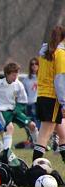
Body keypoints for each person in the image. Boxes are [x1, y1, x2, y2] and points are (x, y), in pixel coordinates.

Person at [32, 25, 65, 163]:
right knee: (44, 136)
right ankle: (33, 169)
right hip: (52, 98)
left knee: (63, 135)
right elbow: (59, 80)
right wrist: (64, 102)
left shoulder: (44, 53)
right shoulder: (60, 54)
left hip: (42, 96)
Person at [21, 57, 39, 129]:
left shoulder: (42, 77)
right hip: (29, 104)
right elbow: (23, 93)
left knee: (38, 124)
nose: (34, 65)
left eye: (36, 64)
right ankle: (32, 138)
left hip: (39, 104)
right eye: (32, 64)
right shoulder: (26, 80)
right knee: (29, 123)